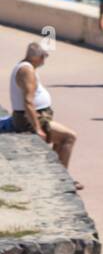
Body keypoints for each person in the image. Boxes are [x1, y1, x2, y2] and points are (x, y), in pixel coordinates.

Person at [10, 42, 78, 172]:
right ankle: (62, 180)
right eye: (44, 56)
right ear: (37, 57)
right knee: (69, 137)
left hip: (37, 116)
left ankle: (56, 174)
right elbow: (28, 101)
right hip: (31, 119)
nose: (44, 60)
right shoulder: (26, 70)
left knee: (60, 141)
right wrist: (37, 128)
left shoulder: (26, 67)